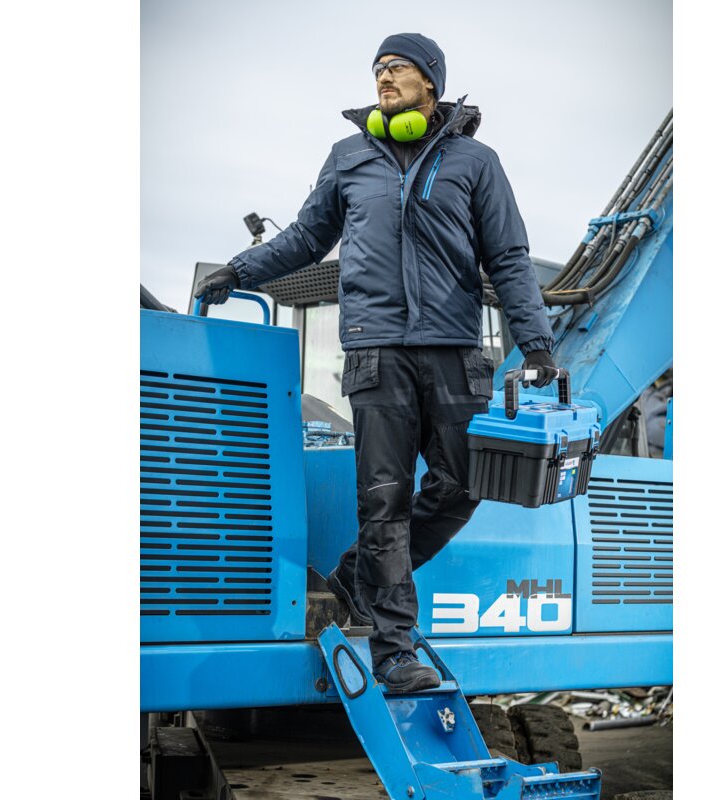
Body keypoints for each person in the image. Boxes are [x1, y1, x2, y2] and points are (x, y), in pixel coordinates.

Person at [195, 33, 561, 693]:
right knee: (383, 501)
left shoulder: (476, 161)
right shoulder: (349, 156)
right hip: (375, 351)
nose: (384, 77)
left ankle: (354, 577)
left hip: (455, 351)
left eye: (398, 67)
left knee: (464, 484)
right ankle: (395, 652)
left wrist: (536, 345)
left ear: (431, 82)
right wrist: (241, 270)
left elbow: (508, 256)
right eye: (378, 69)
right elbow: (308, 237)